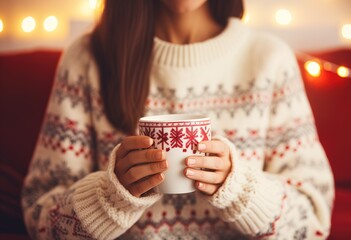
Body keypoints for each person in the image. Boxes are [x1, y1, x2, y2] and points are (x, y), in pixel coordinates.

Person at [21, 0, 334, 239]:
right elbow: (39, 214)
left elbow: (313, 220)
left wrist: (239, 189)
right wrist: (112, 195)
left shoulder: (270, 60)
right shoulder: (87, 60)